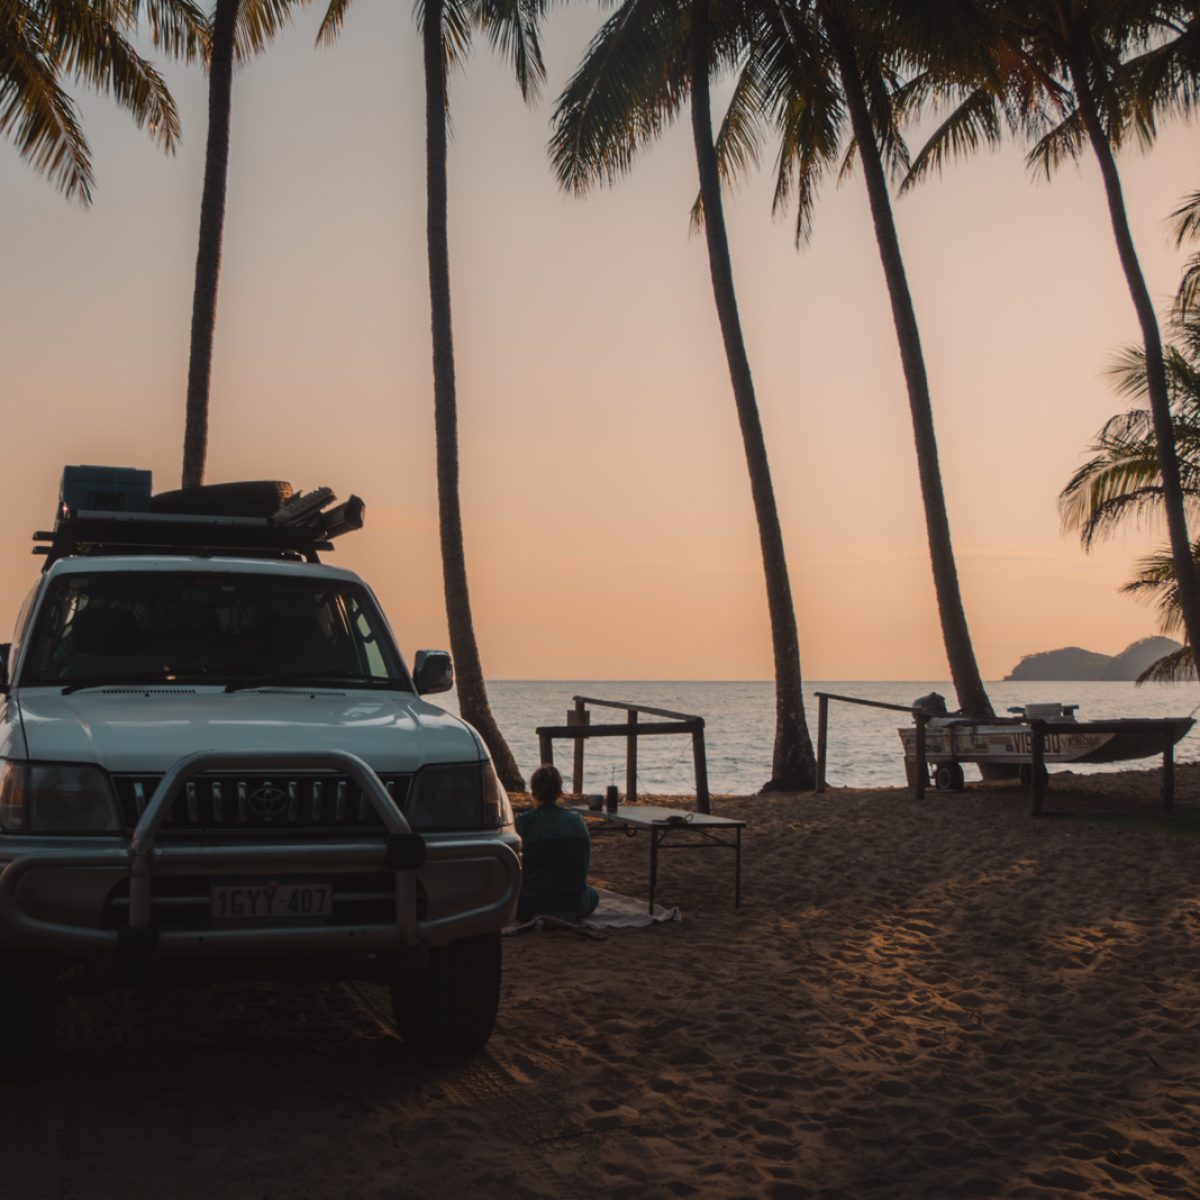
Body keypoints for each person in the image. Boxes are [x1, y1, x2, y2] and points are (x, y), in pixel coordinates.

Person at [515, 764, 599, 922]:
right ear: (560, 792)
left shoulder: (523, 822)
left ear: (533, 792)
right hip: (574, 905)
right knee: (592, 894)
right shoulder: (577, 820)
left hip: (531, 905)